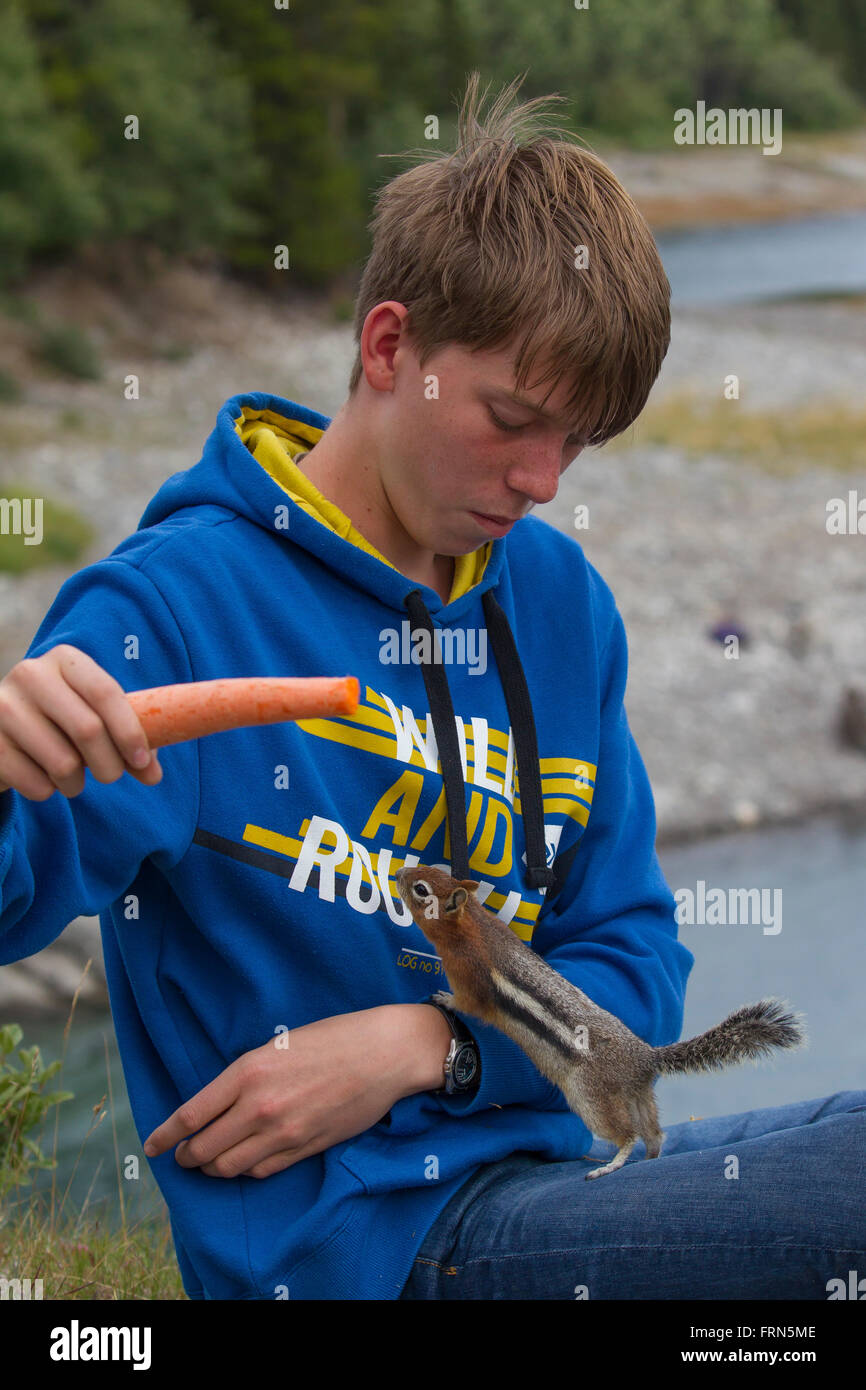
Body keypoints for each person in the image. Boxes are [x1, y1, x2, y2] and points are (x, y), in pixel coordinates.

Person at [0, 72, 861, 1302]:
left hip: (561, 1181)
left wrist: (434, 1045)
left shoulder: (559, 608)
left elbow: (631, 959)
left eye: (577, 442)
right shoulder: (171, 613)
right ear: (390, 344)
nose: (542, 481)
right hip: (367, 1253)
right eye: (514, 419)